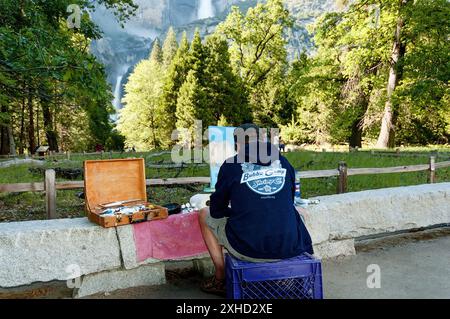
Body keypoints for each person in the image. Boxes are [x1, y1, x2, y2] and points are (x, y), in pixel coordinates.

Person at [198, 124, 313, 296]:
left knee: (203, 214)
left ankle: (220, 277)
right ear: (263, 140)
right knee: (298, 213)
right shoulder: (283, 161)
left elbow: (216, 210)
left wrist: (236, 211)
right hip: (290, 246)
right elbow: (289, 201)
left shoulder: (231, 165)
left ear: (237, 145)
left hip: (248, 249)